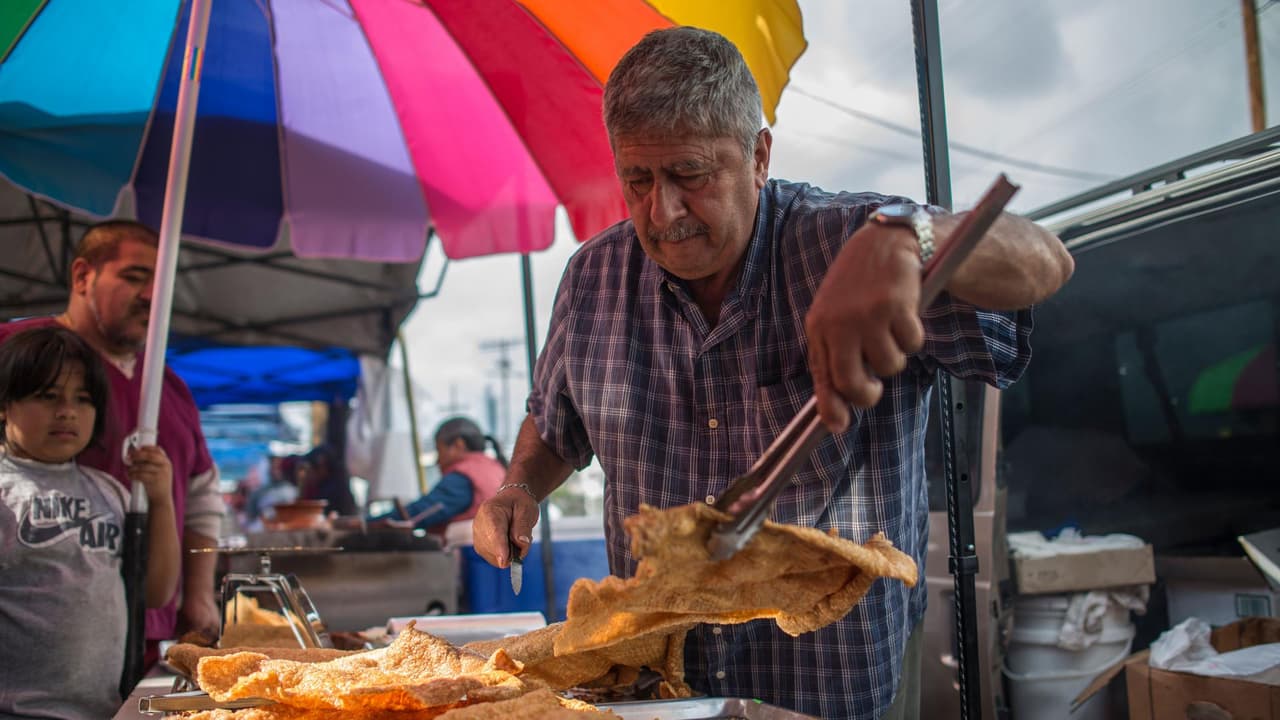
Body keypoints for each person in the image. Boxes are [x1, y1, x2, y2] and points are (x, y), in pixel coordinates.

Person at [471, 27, 1074, 720]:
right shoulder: (593, 279)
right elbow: (556, 426)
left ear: (759, 155)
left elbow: (1045, 261)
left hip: (838, 683)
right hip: (660, 684)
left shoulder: (852, 240)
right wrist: (517, 486)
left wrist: (913, 239)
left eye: (691, 174)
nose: (661, 213)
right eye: (637, 180)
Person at [0, 220, 225, 664]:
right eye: (135, 277)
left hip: (138, 640)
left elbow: (201, 497)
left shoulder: (171, 387)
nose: (150, 296)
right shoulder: (12, 351)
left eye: (161, 285)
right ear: (83, 276)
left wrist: (198, 593)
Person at [0, 326, 180, 718]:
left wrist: (162, 501)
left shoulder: (111, 492)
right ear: (5, 405)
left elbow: (153, 593)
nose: (67, 411)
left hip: (103, 710)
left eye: (82, 399)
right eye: (47, 396)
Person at [369, 417, 507, 535]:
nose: (437, 461)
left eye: (439, 450)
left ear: (459, 445)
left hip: (474, 560)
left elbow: (422, 512)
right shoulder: (496, 468)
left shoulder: (463, 477)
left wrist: (367, 523)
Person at [296, 444, 357, 517]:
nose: (308, 476)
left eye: (310, 471)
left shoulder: (331, 491)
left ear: (321, 465)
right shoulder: (339, 483)